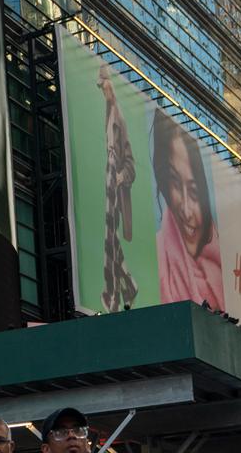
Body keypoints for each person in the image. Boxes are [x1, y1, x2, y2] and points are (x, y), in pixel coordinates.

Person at [152, 112, 224, 310]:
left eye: (194, 191)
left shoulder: (222, 272)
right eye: (174, 183)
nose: (185, 210)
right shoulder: (156, 261)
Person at [99, 65, 138, 312]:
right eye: (101, 87)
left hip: (116, 179)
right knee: (110, 237)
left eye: (104, 86)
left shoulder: (119, 118)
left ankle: (113, 293)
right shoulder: (109, 112)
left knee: (110, 237)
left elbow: (131, 163)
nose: (103, 91)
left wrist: (121, 176)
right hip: (109, 175)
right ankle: (127, 288)